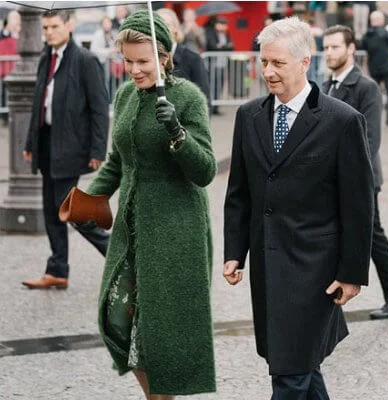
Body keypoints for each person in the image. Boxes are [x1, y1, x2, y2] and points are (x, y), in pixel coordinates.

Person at [223, 17, 374, 399]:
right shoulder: (249, 116)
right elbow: (240, 192)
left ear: (305, 62)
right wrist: (233, 253)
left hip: (314, 270)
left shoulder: (342, 121)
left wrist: (352, 273)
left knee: (289, 375)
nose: (268, 72)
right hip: (267, 266)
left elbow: (358, 205)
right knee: (300, 366)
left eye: (278, 63)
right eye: (264, 62)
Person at [85, 10, 217, 399]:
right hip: (132, 229)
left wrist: (177, 132)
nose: (134, 70)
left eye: (142, 61)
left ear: (164, 56)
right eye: (127, 61)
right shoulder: (126, 95)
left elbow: (206, 170)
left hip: (177, 232)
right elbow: (117, 161)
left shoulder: (187, 97)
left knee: (163, 335)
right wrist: (89, 199)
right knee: (119, 320)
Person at [21, 10, 110, 290]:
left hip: (71, 147)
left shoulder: (85, 60)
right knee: (51, 210)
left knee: (72, 212)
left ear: (69, 26)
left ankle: (118, 256)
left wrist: (98, 149)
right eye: (45, 27)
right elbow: (39, 104)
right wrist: (29, 144)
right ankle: (58, 269)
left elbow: (99, 108)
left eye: (54, 26)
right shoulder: (45, 58)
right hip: (47, 144)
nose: (48, 32)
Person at [323, 25, 388, 320]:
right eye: (326, 47)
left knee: (370, 235)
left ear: (351, 48)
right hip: (330, 178)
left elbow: (370, 140)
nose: (329, 53)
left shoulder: (365, 87)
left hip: (362, 177)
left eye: (335, 47)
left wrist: (347, 177)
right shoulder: (325, 85)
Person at [156, 8, 211, 114]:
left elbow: (204, 100)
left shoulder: (193, 59)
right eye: (157, 25)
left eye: (166, 24)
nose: (161, 29)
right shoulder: (149, 59)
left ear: (175, 28)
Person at [362, 10, 388, 129]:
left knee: (374, 96)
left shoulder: (366, 36)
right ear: (381, 20)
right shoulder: (386, 33)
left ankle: (373, 121)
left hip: (374, 69)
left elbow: (365, 50)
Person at [205, 16, 234, 115]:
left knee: (221, 85)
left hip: (223, 64)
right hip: (214, 64)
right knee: (213, 85)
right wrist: (224, 47)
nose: (223, 26)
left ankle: (216, 108)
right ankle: (211, 107)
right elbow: (212, 47)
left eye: (224, 24)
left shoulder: (227, 34)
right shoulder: (211, 33)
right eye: (220, 24)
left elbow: (231, 47)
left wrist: (222, 46)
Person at [90, 15, 118, 101]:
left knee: (110, 82)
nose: (107, 25)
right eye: (105, 23)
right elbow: (93, 50)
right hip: (100, 62)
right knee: (102, 83)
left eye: (108, 23)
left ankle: (109, 100)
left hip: (110, 62)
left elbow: (114, 47)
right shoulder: (98, 34)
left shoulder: (112, 34)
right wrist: (109, 51)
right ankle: (103, 100)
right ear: (102, 24)